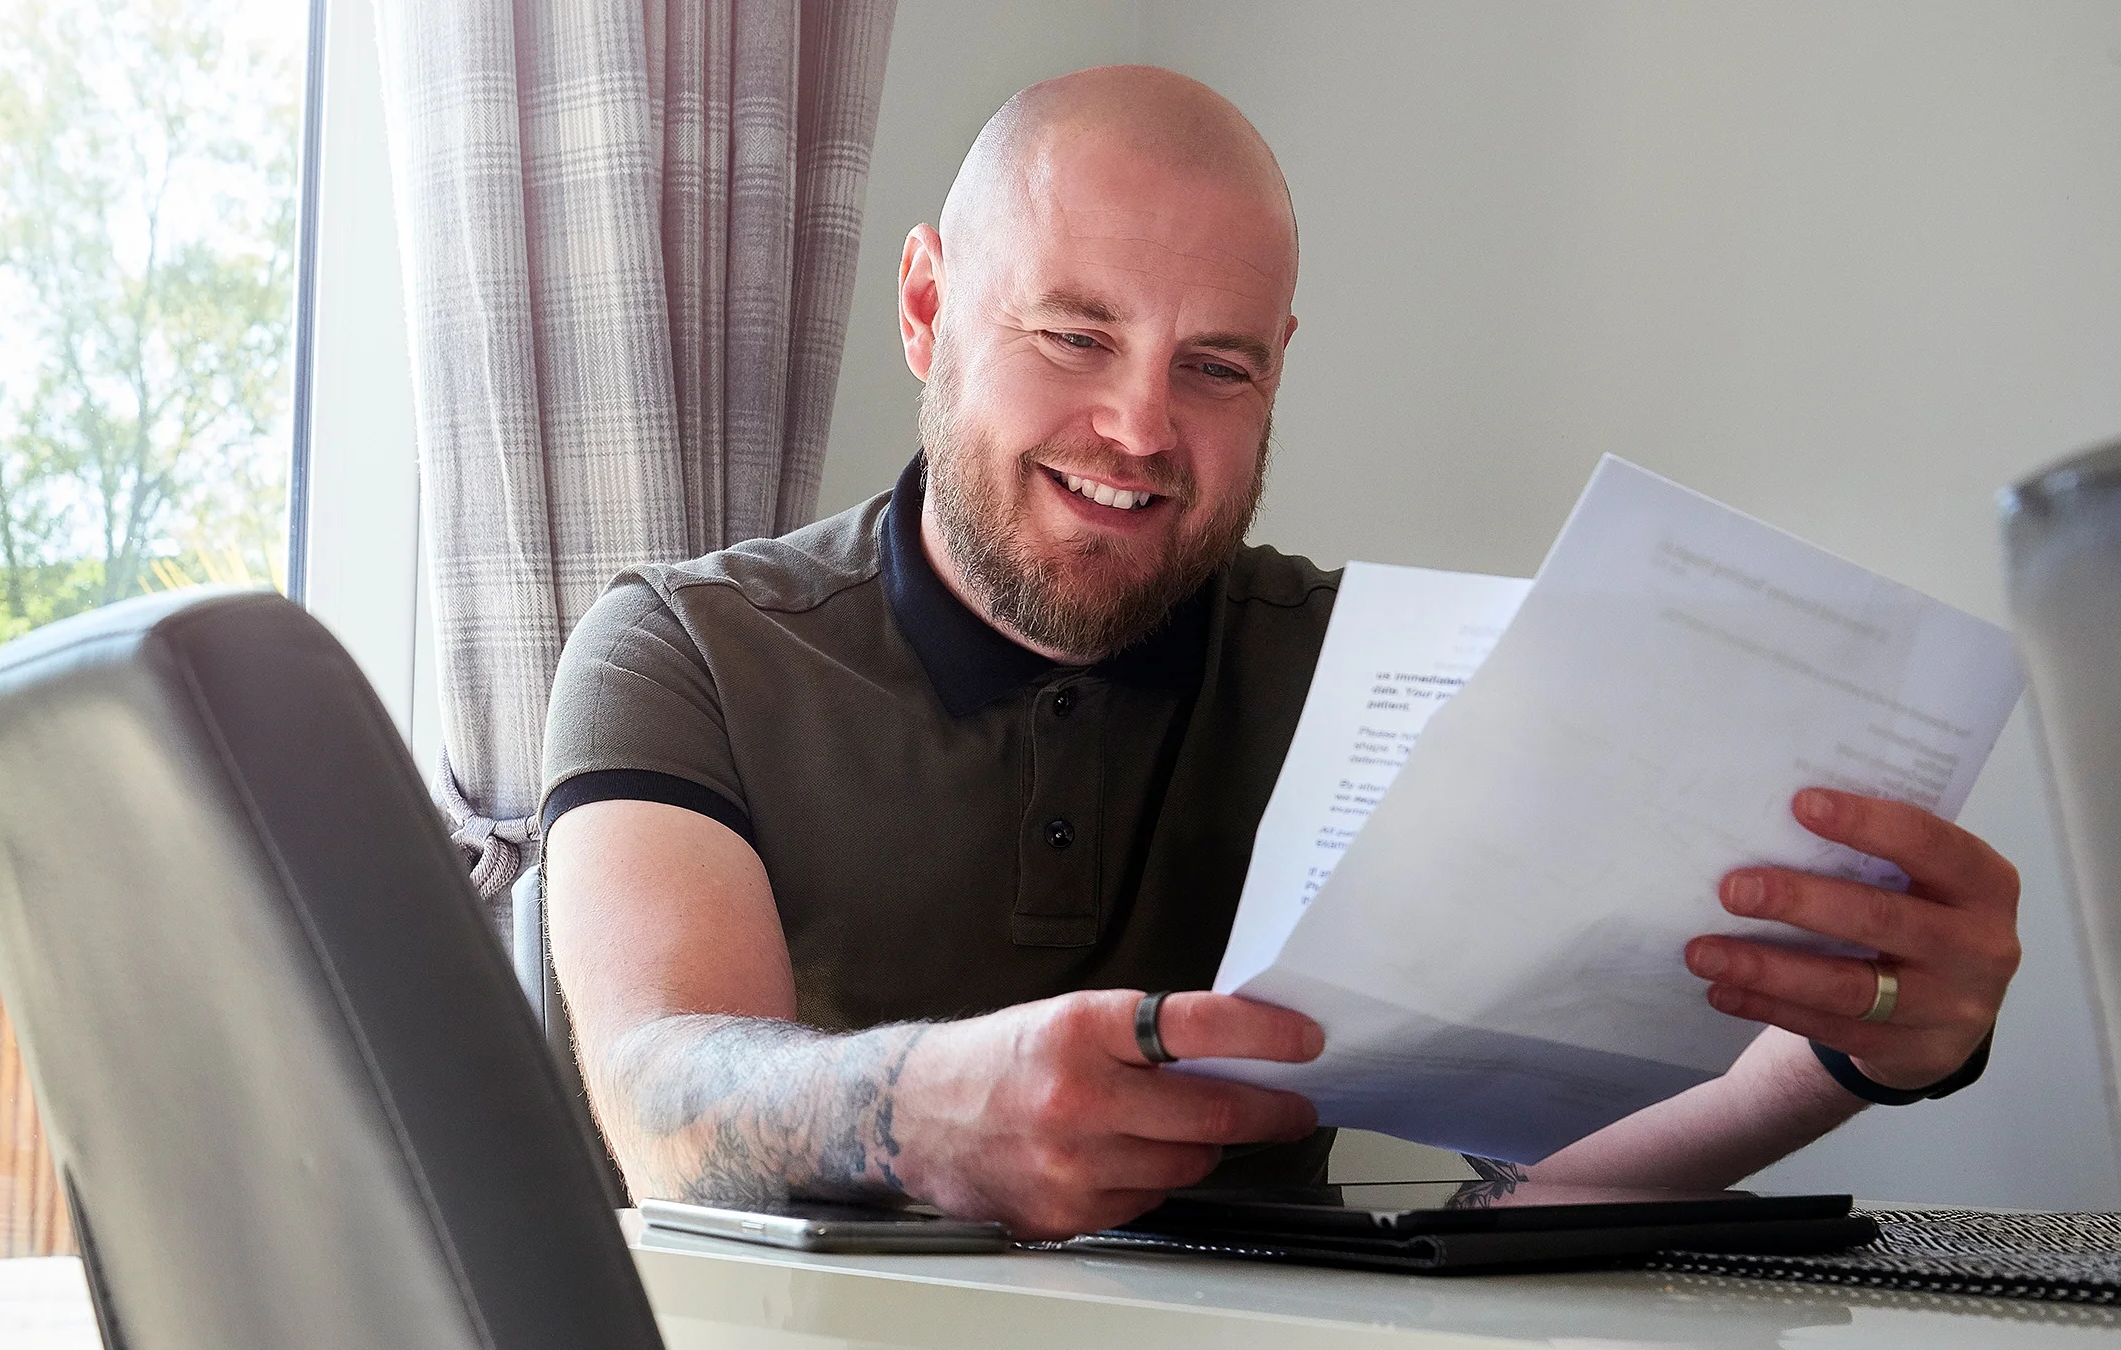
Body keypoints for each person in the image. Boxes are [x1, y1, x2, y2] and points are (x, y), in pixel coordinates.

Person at [536, 66, 2021, 1241]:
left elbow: (1522, 1188)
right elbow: (665, 1094)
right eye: (1072, 334)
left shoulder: (1375, 674)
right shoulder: (682, 647)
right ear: (928, 306)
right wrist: (928, 1106)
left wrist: (1860, 1047)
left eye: (1216, 366)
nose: (1139, 426)